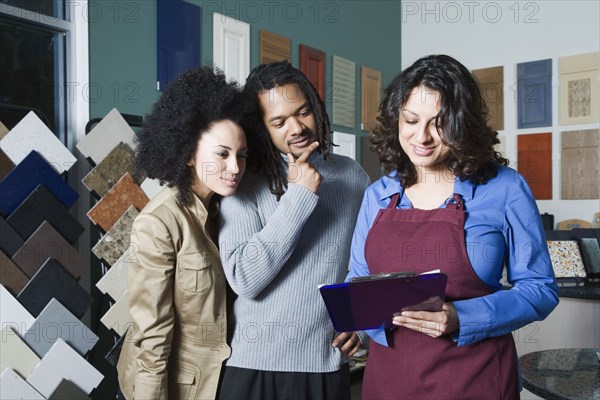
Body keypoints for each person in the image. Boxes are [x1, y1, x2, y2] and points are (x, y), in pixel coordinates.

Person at [346, 54, 559, 399]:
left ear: (462, 123)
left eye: (439, 122)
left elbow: (540, 288)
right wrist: (356, 324)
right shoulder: (378, 195)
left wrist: (464, 317)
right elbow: (358, 282)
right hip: (389, 382)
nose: (422, 137)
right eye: (411, 120)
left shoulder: (505, 189)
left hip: (476, 379)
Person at [217, 61, 370, 399]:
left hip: (325, 364)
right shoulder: (244, 182)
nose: (297, 127)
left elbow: (366, 263)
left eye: (303, 112)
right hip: (254, 366)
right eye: (279, 121)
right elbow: (245, 278)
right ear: (262, 128)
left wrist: (363, 324)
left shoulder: (353, 176)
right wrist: (299, 196)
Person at [116, 66, 249, 400]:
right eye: (222, 154)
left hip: (224, 380)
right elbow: (152, 336)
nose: (234, 167)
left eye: (241, 156)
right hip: (177, 388)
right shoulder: (159, 223)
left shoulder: (228, 212)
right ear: (190, 154)